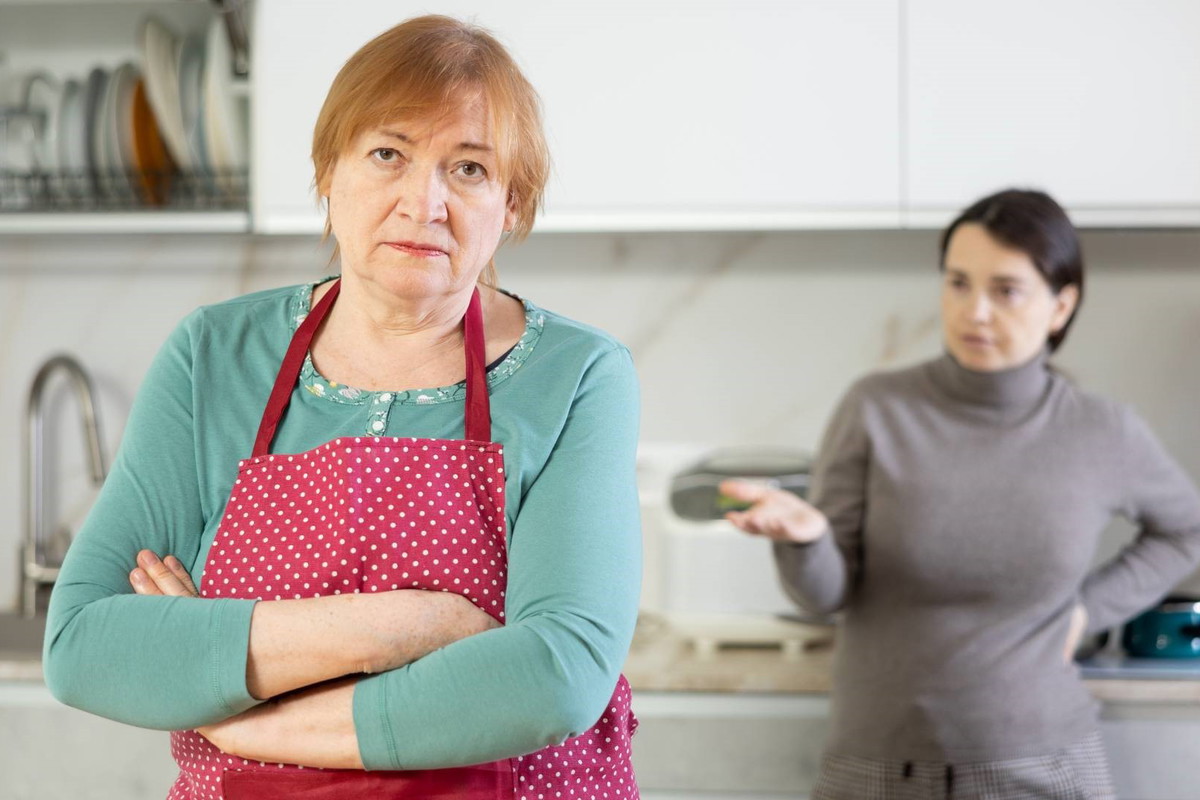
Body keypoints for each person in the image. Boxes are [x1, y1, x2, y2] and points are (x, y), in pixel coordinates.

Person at [44, 16, 641, 799]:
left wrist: (238, 707)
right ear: (330, 171)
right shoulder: (215, 357)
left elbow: (557, 674)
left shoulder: (577, 375)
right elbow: (85, 643)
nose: (423, 202)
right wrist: (414, 625)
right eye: (388, 154)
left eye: (467, 169)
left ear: (511, 204)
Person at [722, 188, 1200, 800]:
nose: (974, 311)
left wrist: (1088, 611)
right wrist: (807, 538)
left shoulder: (1101, 429)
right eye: (957, 283)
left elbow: (1184, 529)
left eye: (1005, 290)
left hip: (1041, 767)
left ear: (1061, 305)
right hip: (875, 769)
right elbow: (825, 596)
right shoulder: (877, 408)